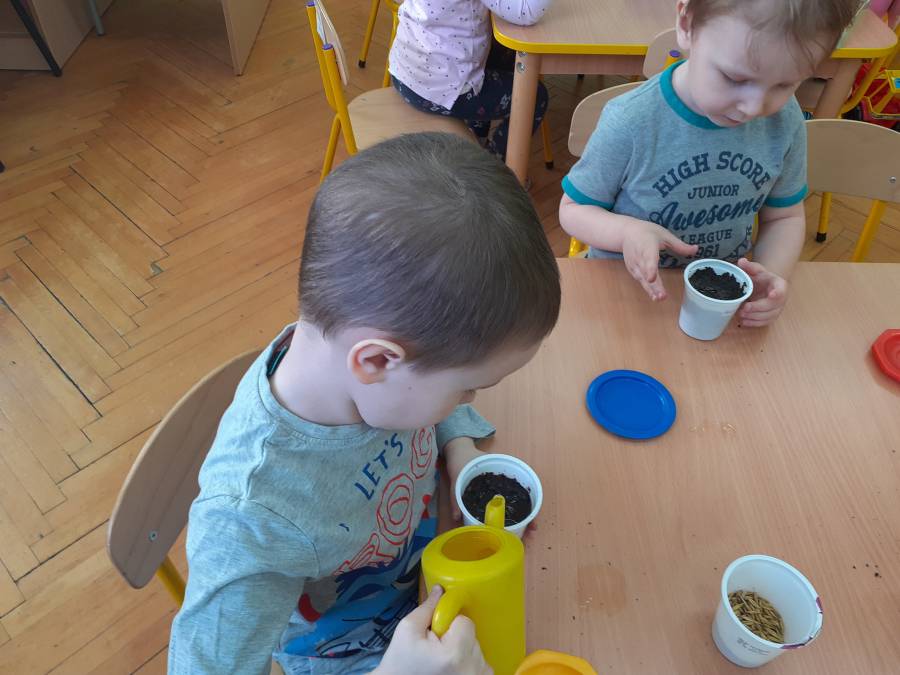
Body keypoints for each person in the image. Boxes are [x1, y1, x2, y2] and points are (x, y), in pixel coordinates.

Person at [168, 132, 561, 674]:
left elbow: (422, 398)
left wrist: (459, 448)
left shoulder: (353, 359)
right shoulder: (254, 522)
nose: (468, 399)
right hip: (359, 657)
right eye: (467, 387)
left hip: (426, 576)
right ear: (375, 361)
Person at [559, 0, 859, 327]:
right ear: (687, 24)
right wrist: (627, 232)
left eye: (784, 85)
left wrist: (771, 275)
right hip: (626, 294)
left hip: (717, 304)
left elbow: (784, 218)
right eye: (734, 78)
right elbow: (573, 210)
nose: (753, 107)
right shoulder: (631, 122)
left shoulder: (785, 121)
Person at [389, 0, 552, 159]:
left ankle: (476, 139)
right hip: (440, 89)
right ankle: (492, 167)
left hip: (404, 70)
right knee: (534, 97)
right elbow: (526, 12)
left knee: (500, 56)